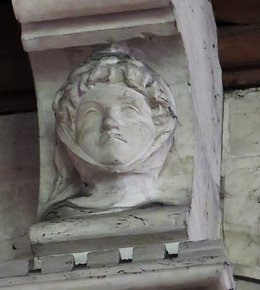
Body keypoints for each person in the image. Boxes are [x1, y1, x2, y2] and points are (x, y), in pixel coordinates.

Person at [46, 51, 177, 215]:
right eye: (92, 113)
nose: (109, 123)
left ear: (160, 123)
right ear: (70, 131)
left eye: (129, 110)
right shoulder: (62, 216)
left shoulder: (168, 214)